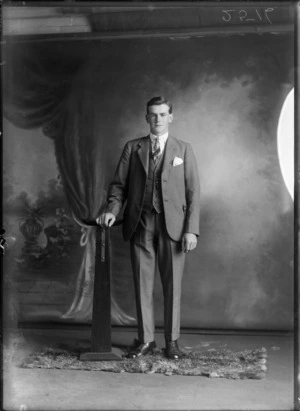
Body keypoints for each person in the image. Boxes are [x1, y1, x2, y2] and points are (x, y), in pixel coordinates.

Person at [97, 96, 200, 359]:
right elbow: (118, 186)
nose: (157, 119)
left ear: (170, 117)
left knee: (172, 285)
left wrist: (191, 230)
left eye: (162, 114)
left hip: (174, 227)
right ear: (146, 118)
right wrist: (111, 211)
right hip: (140, 222)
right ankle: (145, 340)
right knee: (142, 284)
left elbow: (193, 193)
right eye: (153, 115)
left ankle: (172, 342)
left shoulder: (184, 149)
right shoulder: (133, 148)